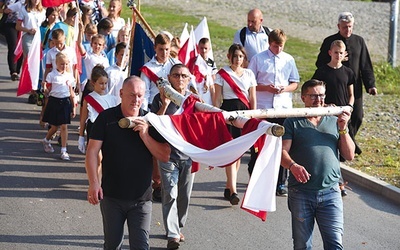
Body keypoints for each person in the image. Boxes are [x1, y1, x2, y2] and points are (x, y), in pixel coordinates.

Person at [85, 76, 170, 250]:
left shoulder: (151, 121)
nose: (136, 100)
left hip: (141, 200)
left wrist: (145, 136)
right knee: (112, 246)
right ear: (121, 93)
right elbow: (92, 151)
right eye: (132, 95)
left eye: (140, 95)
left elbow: (165, 155)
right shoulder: (106, 118)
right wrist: (94, 183)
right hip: (112, 198)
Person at [281, 79, 355, 249]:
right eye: (313, 96)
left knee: (335, 245)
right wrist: (293, 166)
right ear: (303, 98)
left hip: (331, 193)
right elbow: (282, 152)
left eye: (321, 95)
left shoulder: (334, 119)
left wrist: (343, 129)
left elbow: (349, 155)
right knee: (302, 246)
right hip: (301, 192)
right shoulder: (292, 121)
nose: (318, 100)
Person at [316, 12, 378, 155]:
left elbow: (365, 65)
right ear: (339, 26)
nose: (348, 30)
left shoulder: (359, 41)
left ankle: (350, 140)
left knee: (357, 116)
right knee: (337, 117)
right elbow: (319, 63)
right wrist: (338, 60)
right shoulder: (329, 41)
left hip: (353, 86)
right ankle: (344, 146)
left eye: (350, 27)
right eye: (344, 27)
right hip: (334, 85)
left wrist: (371, 85)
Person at [248, 29, 300, 196]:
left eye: (281, 46)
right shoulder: (258, 58)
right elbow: (250, 84)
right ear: (269, 43)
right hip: (264, 107)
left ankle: (280, 182)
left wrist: (284, 89)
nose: (278, 49)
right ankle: (255, 177)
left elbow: (295, 82)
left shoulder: (289, 59)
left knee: (282, 145)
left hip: (283, 107)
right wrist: (266, 88)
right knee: (260, 145)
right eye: (276, 46)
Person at [151, 64, 194, 250]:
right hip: (168, 154)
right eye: (176, 75)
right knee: (170, 193)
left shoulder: (194, 101)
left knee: (184, 195)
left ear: (189, 79)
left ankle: (178, 225)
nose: (180, 79)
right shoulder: (158, 99)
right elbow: (153, 125)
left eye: (184, 76)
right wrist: (165, 105)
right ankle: (173, 234)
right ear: (169, 77)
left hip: (189, 155)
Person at [214, 44, 257, 205]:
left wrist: (254, 116)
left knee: (239, 151)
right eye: (235, 56)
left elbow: (252, 98)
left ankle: (228, 186)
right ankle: (233, 190)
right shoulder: (222, 74)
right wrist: (217, 114)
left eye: (241, 56)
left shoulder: (249, 74)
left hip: (245, 115)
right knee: (232, 151)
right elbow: (218, 98)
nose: (238, 59)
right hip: (229, 114)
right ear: (229, 56)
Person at [313, 40, 355, 197]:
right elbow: (315, 91)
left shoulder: (348, 72)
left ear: (345, 54)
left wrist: (349, 108)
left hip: (343, 116)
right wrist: (324, 106)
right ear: (330, 53)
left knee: (342, 148)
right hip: (327, 116)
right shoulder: (322, 72)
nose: (338, 55)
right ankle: (338, 183)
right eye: (335, 52)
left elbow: (351, 95)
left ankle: (337, 180)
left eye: (341, 52)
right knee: (331, 149)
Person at [41, 52, 76, 161]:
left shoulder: (69, 76)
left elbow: (71, 92)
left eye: (66, 64)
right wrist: (45, 89)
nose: (64, 67)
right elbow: (48, 90)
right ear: (56, 63)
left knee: (64, 126)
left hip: (65, 102)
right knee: (55, 127)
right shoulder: (52, 75)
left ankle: (63, 150)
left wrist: (73, 106)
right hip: (54, 102)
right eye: (61, 64)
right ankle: (46, 140)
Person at [78, 65, 118, 154]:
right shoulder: (88, 99)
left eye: (105, 83)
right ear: (93, 82)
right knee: (95, 155)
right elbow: (83, 119)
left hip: (107, 129)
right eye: (101, 83)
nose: (103, 86)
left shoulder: (112, 99)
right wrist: (81, 136)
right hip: (93, 128)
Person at [140, 33, 181, 111]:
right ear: (155, 48)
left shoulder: (177, 65)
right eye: (161, 49)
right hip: (154, 107)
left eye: (167, 49)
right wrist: (144, 114)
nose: (164, 53)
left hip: (173, 108)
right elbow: (145, 94)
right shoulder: (148, 68)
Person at [188, 37, 217, 105]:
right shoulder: (193, 61)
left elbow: (213, 78)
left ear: (209, 48)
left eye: (205, 48)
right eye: (201, 48)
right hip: (196, 89)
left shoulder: (211, 63)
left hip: (207, 91)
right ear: (198, 48)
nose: (203, 50)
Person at [0, 0, 23, 81]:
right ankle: (13, 71)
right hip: (10, 24)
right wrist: (4, 11)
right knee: (13, 46)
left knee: (21, 47)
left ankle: (17, 69)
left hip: (23, 25)